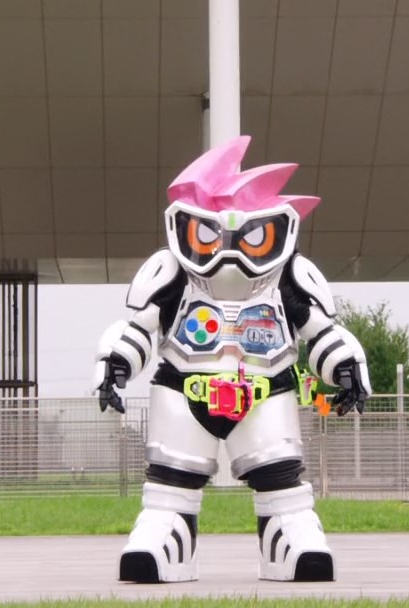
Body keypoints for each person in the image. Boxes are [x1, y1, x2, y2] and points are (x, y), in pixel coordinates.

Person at [91, 135, 371, 583]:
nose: (227, 247)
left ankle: (290, 538)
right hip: (184, 388)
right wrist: (116, 363)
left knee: (279, 476)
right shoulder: (172, 274)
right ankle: (164, 536)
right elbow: (140, 326)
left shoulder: (287, 278)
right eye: (209, 233)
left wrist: (345, 367)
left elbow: (319, 330)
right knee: (170, 481)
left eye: (251, 235)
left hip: (265, 391)